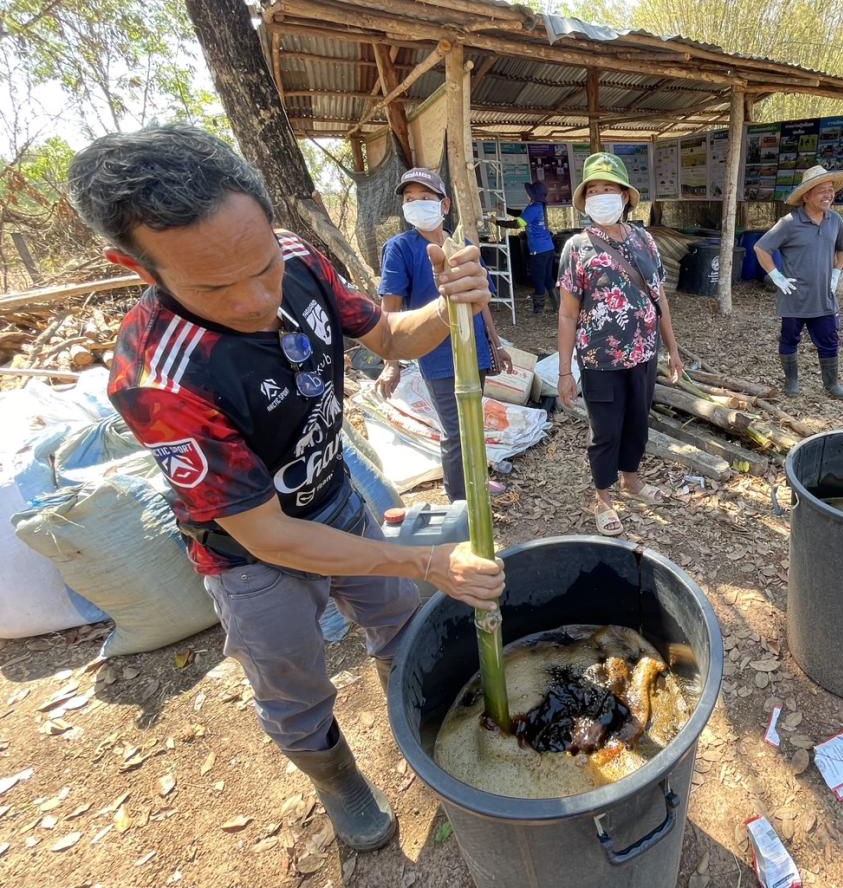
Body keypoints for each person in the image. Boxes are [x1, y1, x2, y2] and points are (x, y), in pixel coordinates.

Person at [67, 126, 505, 852]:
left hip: (338, 500)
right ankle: (340, 784)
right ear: (134, 265)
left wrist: (453, 304)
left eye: (263, 265)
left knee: (404, 628)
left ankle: (434, 736)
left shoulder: (300, 258)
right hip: (251, 561)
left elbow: (393, 338)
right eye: (215, 286)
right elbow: (268, 535)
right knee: (292, 688)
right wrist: (426, 561)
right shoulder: (159, 380)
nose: (257, 299)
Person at [556, 152, 683, 536]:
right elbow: (566, 313)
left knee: (637, 423)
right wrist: (565, 371)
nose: (599, 196)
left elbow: (659, 298)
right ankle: (604, 500)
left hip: (644, 354)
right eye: (592, 190)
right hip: (600, 359)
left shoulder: (645, 240)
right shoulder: (577, 248)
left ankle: (631, 480)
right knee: (606, 430)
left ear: (625, 196)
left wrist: (673, 349)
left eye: (607, 188)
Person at [375, 168, 512, 502]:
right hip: (437, 354)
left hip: (476, 348)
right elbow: (389, 308)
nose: (417, 204)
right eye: (410, 199)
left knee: (473, 422)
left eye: (425, 198)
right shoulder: (400, 248)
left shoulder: (462, 245)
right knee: (456, 432)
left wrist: (497, 344)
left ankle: (476, 481)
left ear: (445, 205)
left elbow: (483, 300)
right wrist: (390, 361)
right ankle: (460, 501)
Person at [752, 164, 843, 399]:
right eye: (822, 191)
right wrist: (777, 277)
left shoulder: (835, 220)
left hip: (823, 296)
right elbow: (761, 248)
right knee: (789, 339)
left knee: (829, 340)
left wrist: (837, 272)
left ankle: (832, 383)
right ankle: (791, 381)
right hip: (794, 296)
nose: (828, 195)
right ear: (806, 196)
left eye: (831, 190)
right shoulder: (789, 222)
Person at [518, 180, 557, 313]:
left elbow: (518, 222)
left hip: (538, 250)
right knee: (547, 277)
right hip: (548, 248)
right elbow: (523, 216)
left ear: (532, 195)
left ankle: (538, 310)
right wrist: (505, 210)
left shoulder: (532, 208)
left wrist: (498, 222)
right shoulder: (540, 206)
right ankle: (557, 306)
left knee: (538, 279)